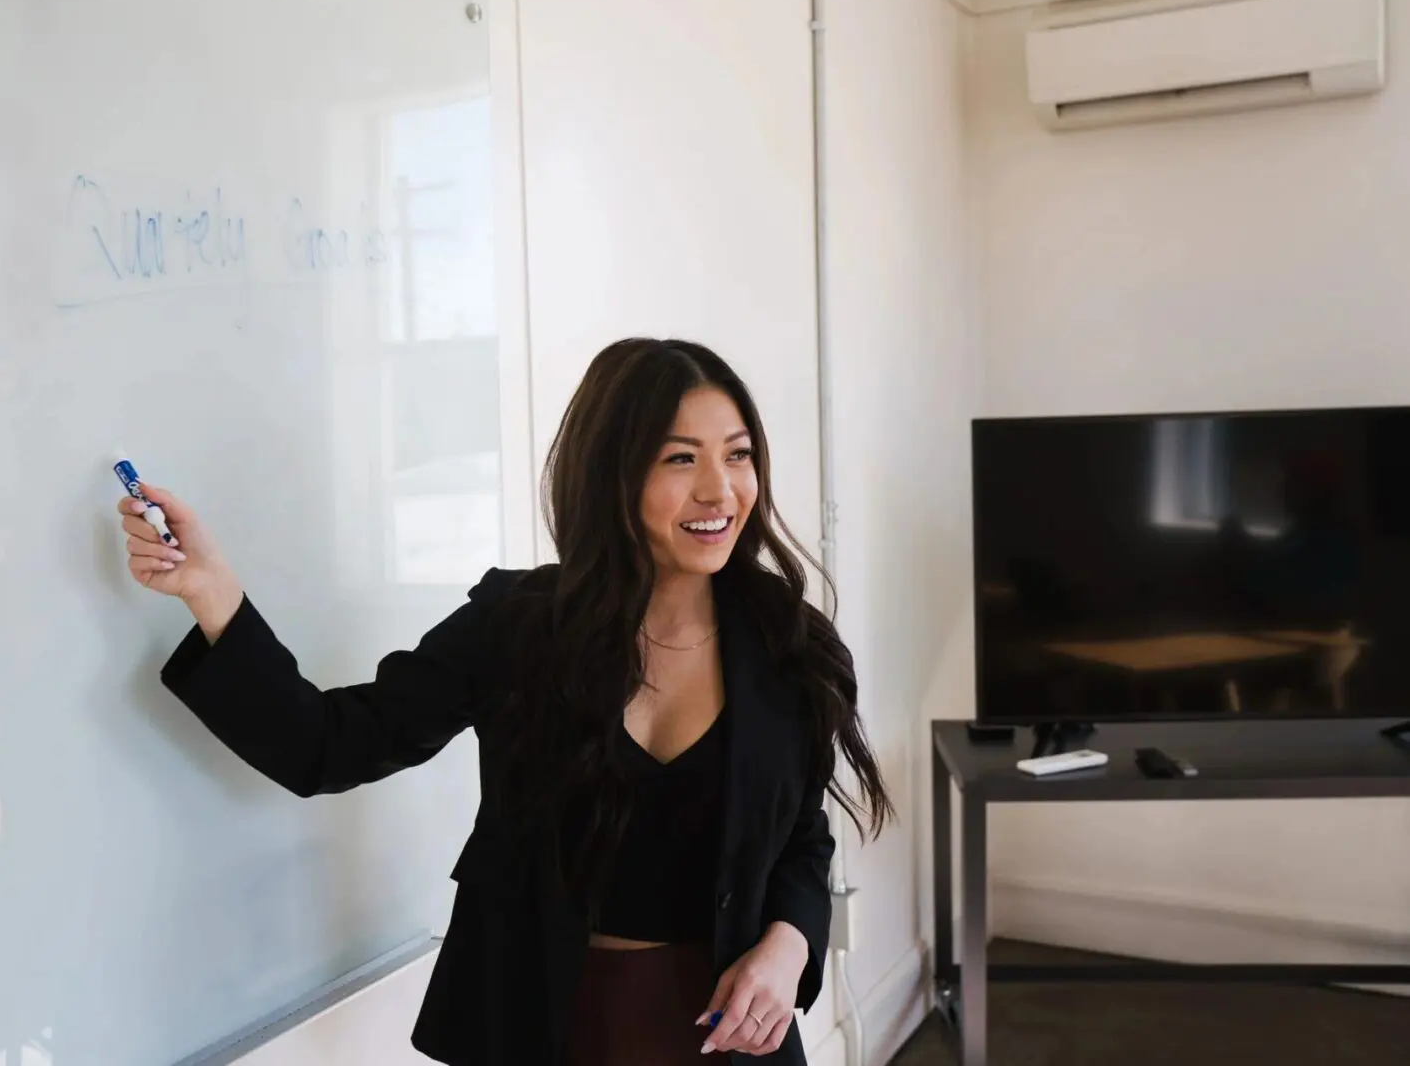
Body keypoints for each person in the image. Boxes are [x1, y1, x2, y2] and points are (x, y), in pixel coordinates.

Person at [117, 338, 891, 1065]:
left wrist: (788, 948)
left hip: (722, 1035)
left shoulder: (789, 646)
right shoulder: (519, 628)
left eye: (739, 455)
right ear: (610, 473)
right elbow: (328, 743)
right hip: (542, 1024)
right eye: (678, 458)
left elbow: (798, 836)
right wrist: (212, 593)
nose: (719, 490)